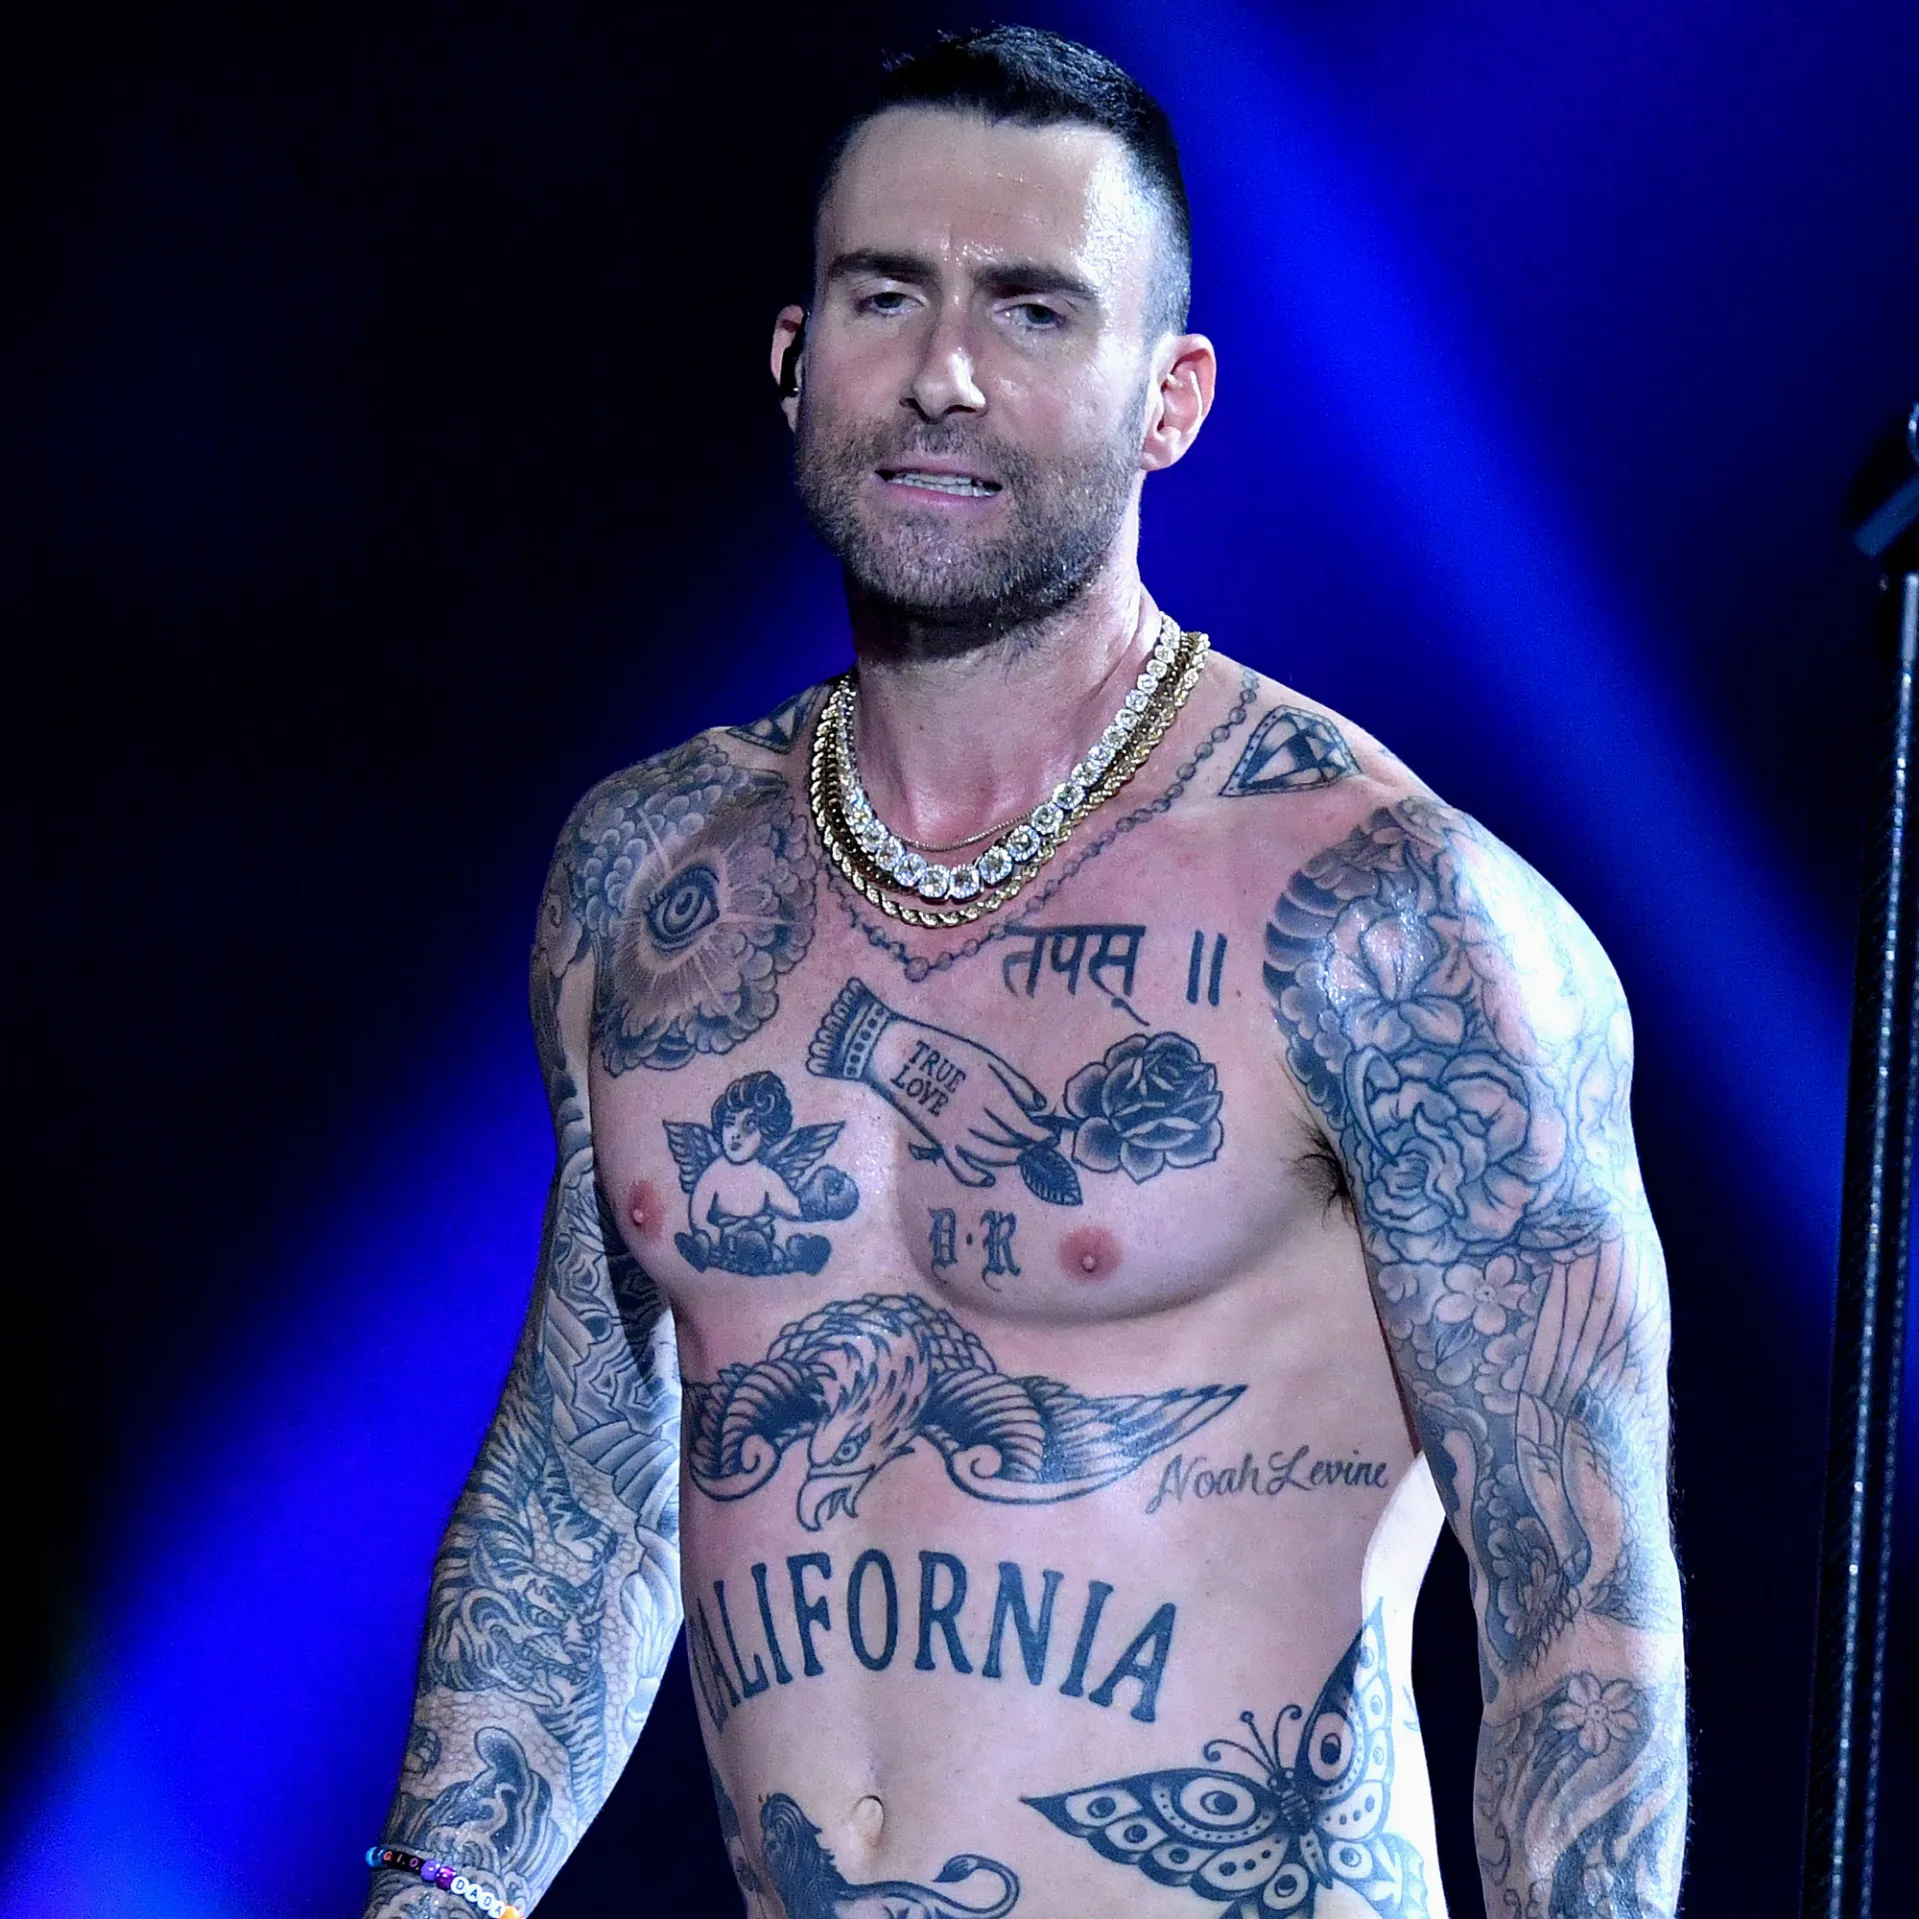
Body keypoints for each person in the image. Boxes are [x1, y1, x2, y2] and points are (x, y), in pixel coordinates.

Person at [363, 27, 1686, 1919]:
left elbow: (1579, 1608)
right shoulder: (652, 878)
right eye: (883, 295)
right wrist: (436, 1891)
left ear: (1172, 398)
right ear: (793, 357)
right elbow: (585, 1487)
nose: (945, 372)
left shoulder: (1393, 918)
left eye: (1033, 309)